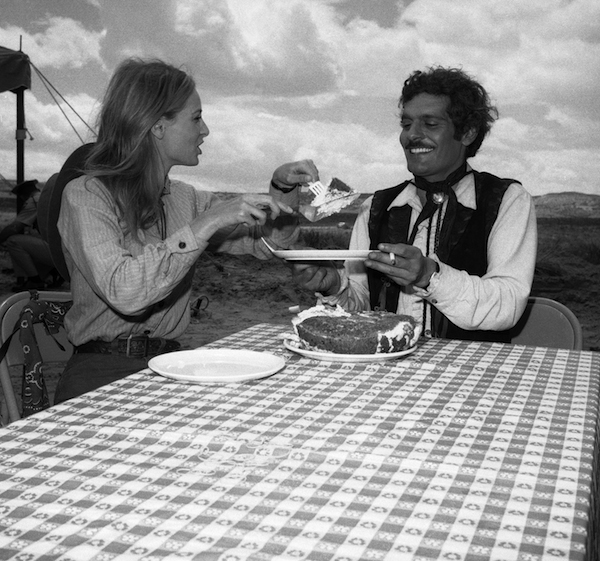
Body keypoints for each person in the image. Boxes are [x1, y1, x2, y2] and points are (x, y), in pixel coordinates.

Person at [53, 57, 318, 404]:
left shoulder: (186, 199)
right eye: (196, 118)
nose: (205, 130)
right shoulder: (86, 195)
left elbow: (269, 244)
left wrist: (282, 190)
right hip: (100, 373)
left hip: (171, 368)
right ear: (157, 126)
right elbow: (126, 293)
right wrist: (204, 225)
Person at [292, 66, 537, 342]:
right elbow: (361, 307)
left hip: (472, 365)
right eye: (407, 124)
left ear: (467, 132)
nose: (411, 135)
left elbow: (507, 305)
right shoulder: (376, 208)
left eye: (430, 124)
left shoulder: (506, 200)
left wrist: (429, 276)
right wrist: (335, 286)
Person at [0, 178, 63, 291]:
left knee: (13, 241)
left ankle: (35, 281)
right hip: (65, 250)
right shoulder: (47, 198)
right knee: (31, 241)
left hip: (57, 253)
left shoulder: (34, 200)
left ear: (23, 195)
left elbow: (14, 228)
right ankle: (53, 272)